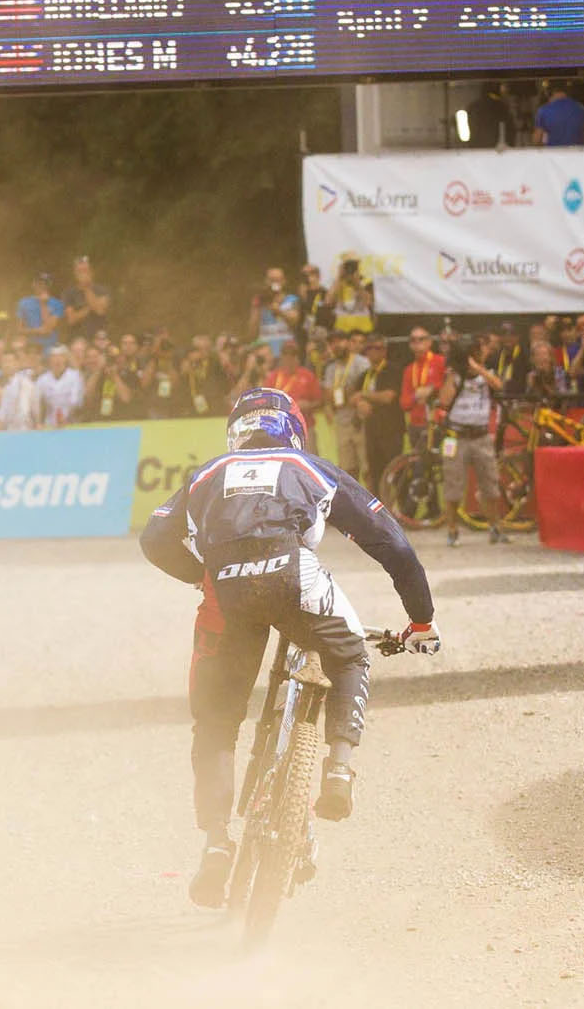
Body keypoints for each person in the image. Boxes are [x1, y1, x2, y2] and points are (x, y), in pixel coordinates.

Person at [140, 387, 439, 908]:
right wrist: (420, 620)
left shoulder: (207, 473)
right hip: (293, 576)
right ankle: (338, 768)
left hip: (225, 592)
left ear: (236, 433)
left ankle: (216, 843)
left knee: (215, 724)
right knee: (349, 654)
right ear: (294, 430)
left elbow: (153, 539)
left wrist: (201, 574)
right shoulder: (308, 466)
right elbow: (392, 544)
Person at [435, 336, 510, 547]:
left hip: (481, 436)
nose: (482, 353)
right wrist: (453, 375)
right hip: (457, 437)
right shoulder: (455, 377)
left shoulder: (487, 375)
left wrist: (479, 370)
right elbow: (444, 401)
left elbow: (499, 386)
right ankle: (452, 530)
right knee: (453, 486)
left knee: (490, 484)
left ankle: (495, 527)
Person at [354, 334, 404, 495]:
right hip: (371, 431)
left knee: (395, 473)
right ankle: (378, 507)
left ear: (385, 351)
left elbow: (388, 397)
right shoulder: (365, 374)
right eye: (370, 348)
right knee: (374, 474)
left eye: (378, 348)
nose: (374, 352)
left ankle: (398, 507)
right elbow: (352, 396)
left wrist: (364, 395)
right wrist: (359, 403)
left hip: (391, 430)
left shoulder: (393, 370)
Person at [321, 330, 370, 479]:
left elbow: (363, 391)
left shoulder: (362, 363)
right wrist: (348, 393)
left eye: (340, 341)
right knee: (348, 471)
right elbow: (329, 396)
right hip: (342, 423)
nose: (336, 345)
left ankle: (372, 495)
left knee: (368, 469)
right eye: (332, 342)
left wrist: (345, 395)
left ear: (349, 343)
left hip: (360, 421)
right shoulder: (331, 368)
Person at [399, 326, 445, 443]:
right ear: (410, 345)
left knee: (444, 454)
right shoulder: (409, 369)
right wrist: (416, 396)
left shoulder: (441, 361)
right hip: (416, 426)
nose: (417, 343)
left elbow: (450, 389)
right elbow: (404, 403)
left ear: (430, 342)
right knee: (416, 455)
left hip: (439, 423)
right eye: (413, 340)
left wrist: (432, 389)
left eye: (421, 339)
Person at [61, 255, 111, 342]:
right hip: (77, 340)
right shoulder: (69, 293)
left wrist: (87, 288)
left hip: (99, 339)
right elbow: (71, 319)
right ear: (75, 274)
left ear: (91, 272)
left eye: (85, 270)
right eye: (79, 271)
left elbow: (100, 311)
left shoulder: (102, 290)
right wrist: (91, 307)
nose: (83, 274)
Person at [35, 345, 84, 428]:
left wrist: (66, 419)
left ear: (65, 359)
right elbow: (38, 403)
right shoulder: (42, 379)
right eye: (54, 357)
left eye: (60, 357)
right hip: (49, 425)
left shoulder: (75, 376)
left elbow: (76, 402)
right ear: (49, 360)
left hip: (70, 424)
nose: (57, 360)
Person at [16, 273, 65, 354]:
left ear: (49, 286)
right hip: (30, 346)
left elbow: (47, 330)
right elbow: (19, 329)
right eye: (39, 283)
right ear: (33, 284)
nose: (42, 286)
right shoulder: (23, 302)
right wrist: (36, 330)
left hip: (50, 346)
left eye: (45, 283)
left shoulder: (57, 304)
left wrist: (43, 304)